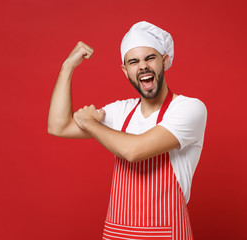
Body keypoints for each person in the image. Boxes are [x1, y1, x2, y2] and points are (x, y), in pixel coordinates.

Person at [48, 21, 207, 240]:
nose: (142, 66)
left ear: (165, 60)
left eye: (150, 58)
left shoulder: (190, 108)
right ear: (126, 71)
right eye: (133, 61)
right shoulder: (121, 111)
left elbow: (134, 150)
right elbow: (58, 125)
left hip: (166, 234)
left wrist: (91, 123)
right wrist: (67, 66)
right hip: (117, 233)